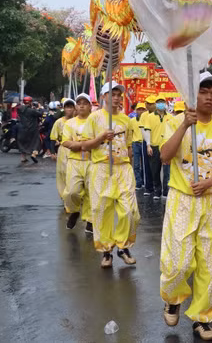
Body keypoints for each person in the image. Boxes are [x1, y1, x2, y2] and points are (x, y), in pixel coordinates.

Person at [159, 72, 212, 340]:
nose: (209, 97)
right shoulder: (174, 122)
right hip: (182, 200)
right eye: (204, 92)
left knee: (208, 263)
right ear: (193, 95)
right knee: (178, 262)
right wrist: (184, 125)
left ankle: (202, 318)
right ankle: (172, 298)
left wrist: (208, 183)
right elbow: (164, 156)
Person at [85, 82, 139, 267]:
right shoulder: (94, 118)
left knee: (130, 211)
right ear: (103, 96)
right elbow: (86, 145)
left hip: (123, 169)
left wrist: (130, 166)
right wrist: (101, 138)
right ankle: (106, 251)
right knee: (102, 211)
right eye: (112, 94)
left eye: (118, 94)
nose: (116, 97)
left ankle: (123, 247)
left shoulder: (126, 120)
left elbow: (129, 146)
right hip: (101, 168)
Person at [61, 94, 94, 233]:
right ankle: (74, 211)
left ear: (90, 106)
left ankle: (90, 220)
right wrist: (84, 144)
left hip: (92, 161)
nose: (81, 105)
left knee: (91, 193)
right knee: (72, 192)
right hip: (74, 162)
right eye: (79, 103)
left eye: (85, 103)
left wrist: (79, 144)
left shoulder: (95, 122)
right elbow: (66, 142)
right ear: (76, 106)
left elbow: (99, 142)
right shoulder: (70, 124)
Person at [51, 99, 75, 200]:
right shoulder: (59, 122)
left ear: (74, 108)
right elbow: (53, 138)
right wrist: (53, 152)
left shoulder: (77, 121)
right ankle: (65, 197)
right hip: (63, 149)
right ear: (64, 109)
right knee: (63, 173)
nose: (69, 109)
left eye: (71, 107)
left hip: (75, 149)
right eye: (67, 107)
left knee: (74, 174)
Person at [149, 94, 171, 200]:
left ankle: (166, 191)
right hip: (154, 146)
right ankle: (157, 190)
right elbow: (147, 131)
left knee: (167, 170)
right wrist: (148, 145)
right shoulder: (150, 117)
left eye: (163, 102)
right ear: (156, 104)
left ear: (165, 104)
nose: (161, 104)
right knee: (155, 170)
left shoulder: (170, 117)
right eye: (159, 102)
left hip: (166, 146)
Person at [139, 96, 157, 197]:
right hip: (146, 143)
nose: (149, 105)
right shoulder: (144, 115)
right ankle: (148, 187)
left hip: (158, 143)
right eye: (148, 103)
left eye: (151, 103)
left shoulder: (159, 115)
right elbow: (143, 130)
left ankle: (157, 186)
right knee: (146, 165)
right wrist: (148, 143)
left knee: (157, 167)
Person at [17, 96, 42, 164]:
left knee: (23, 143)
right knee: (36, 141)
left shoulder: (19, 109)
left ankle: (23, 157)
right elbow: (40, 114)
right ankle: (33, 154)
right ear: (30, 102)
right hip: (32, 129)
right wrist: (39, 108)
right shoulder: (32, 110)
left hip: (22, 129)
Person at [131, 103, 147, 193]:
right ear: (136, 110)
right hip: (136, 143)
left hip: (144, 143)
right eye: (139, 109)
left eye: (142, 109)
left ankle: (145, 181)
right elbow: (130, 133)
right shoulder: (132, 121)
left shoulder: (147, 120)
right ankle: (138, 182)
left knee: (145, 165)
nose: (141, 111)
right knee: (136, 164)